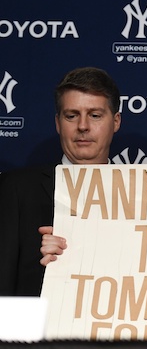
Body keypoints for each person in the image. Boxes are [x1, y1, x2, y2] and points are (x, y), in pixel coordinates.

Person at [0, 67, 121, 296]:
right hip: (37, 328)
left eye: (95, 115)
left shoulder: (144, 194)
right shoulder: (17, 189)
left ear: (115, 121)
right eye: (71, 115)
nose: (83, 126)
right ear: (58, 123)